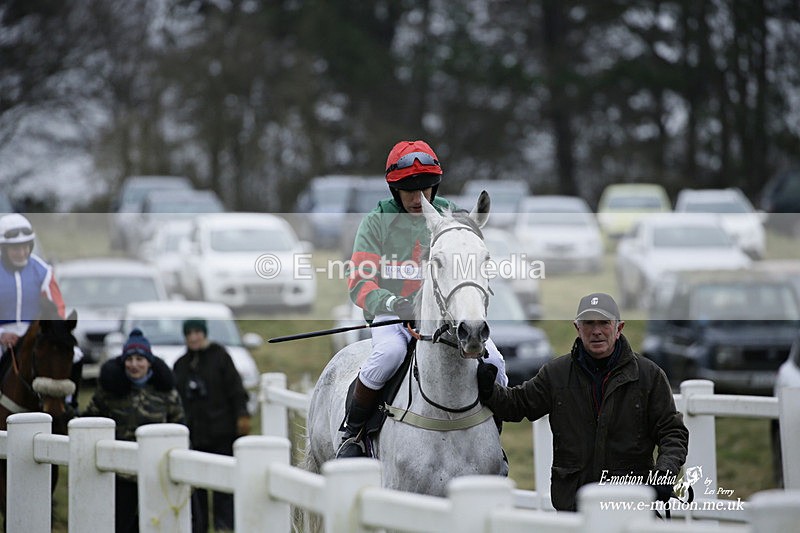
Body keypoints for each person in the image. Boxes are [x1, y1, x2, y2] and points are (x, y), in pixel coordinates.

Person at [337, 139, 509, 459]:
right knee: (389, 353)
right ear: (394, 191)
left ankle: (491, 434)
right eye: (409, 191)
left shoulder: (451, 216)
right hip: (392, 314)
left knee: (495, 362)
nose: (418, 199)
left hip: (443, 317)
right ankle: (354, 432)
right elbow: (359, 282)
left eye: (426, 189)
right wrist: (393, 305)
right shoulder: (376, 222)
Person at [476, 292, 689, 511]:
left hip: (630, 502)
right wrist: (488, 389)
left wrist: (665, 473)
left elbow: (672, 432)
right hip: (574, 507)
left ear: (619, 328)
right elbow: (517, 404)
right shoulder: (556, 374)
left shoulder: (649, 376)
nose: (596, 331)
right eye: (588, 323)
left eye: (604, 323)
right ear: (577, 327)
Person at [82, 329, 185, 533]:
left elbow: (180, 426)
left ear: (149, 362)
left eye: (140, 359)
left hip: (157, 475)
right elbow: (89, 423)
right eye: (129, 359)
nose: (134, 364)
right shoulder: (109, 391)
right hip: (120, 477)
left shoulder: (166, 392)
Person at [173, 318, 251, 533]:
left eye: (197, 332)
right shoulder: (181, 364)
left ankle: (225, 527)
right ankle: (198, 528)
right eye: (189, 333)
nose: (193, 337)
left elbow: (236, 391)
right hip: (194, 436)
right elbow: (175, 398)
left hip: (222, 434)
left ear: (204, 333)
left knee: (224, 487)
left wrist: (242, 416)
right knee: (195, 490)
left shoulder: (221, 357)